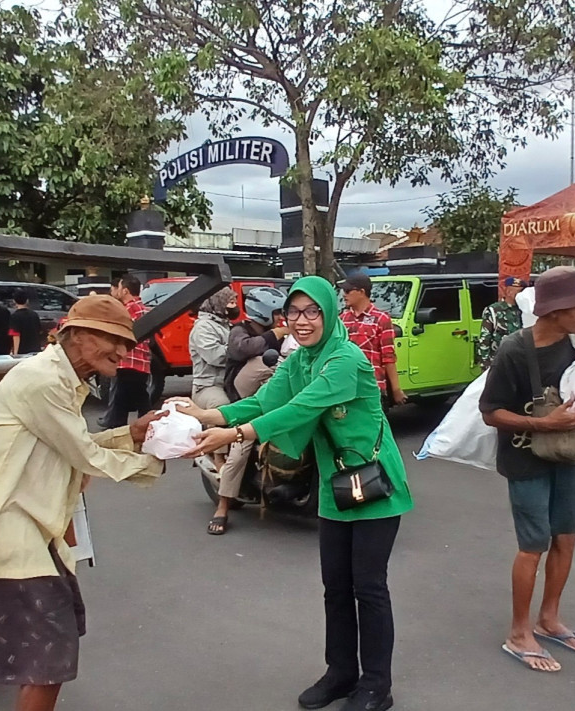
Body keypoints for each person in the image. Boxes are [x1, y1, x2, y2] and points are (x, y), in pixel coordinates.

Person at [177, 276, 414, 711]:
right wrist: (208, 413)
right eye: (294, 312)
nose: (302, 322)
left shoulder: (347, 359)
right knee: (334, 588)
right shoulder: (299, 360)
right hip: (333, 486)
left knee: (369, 588)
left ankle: (377, 685)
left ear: (329, 312)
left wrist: (235, 433)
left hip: (375, 486)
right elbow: (267, 400)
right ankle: (341, 673)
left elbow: (302, 408)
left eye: (312, 311)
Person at [0, 295, 168, 711]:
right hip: (6, 530)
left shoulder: (60, 379)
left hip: (27, 530)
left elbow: (70, 445)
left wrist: (133, 434)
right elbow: (84, 455)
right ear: (76, 336)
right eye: (113, 339)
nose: (124, 352)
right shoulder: (42, 380)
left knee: (52, 650)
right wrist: (160, 458)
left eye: (126, 342)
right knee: (49, 657)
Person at [478, 266, 575, 674]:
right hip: (525, 459)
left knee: (566, 537)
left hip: (568, 454)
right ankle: (518, 632)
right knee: (533, 545)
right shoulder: (514, 349)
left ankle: (549, 619)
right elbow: (490, 412)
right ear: (556, 310)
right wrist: (543, 424)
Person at [207, 286, 289, 535]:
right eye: (276, 312)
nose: (280, 317)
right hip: (240, 391)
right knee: (241, 446)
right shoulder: (240, 330)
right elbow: (241, 349)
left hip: (268, 392)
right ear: (262, 311)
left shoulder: (285, 333)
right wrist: (275, 334)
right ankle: (222, 507)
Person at [340, 273, 406, 407]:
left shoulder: (381, 319)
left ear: (361, 292)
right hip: (346, 386)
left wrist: (396, 389)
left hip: (372, 387)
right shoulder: (342, 319)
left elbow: (388, 357)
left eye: (347, 291)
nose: (343, 295)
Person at [99, 276, 152, 429]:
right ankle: (148, 424)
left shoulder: (127, 309)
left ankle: (117, 427)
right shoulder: (143, 308)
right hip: (141, 360)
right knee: (140, 397)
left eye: (119, 288)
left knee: (120, 399)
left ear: (126, 290)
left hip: (127, 359)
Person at [189, 287, 237, 409]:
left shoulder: (225, 325)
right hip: (208, 386)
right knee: (222, 407)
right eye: (231, 303)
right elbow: (215, 356)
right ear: (219, 303)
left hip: (229, 383)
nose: (235, 307)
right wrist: (240, 349)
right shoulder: (203, 327)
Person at [476, 276, 527, 369]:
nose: (521, 295)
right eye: (519, 292)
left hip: (520, 361)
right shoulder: (494, 310)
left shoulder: (525, 310)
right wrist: (485, 364)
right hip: (499, 362)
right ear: (508, 292)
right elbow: (485, 338)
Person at [9, 288, 43, 356]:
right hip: (35, 350)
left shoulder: (15, 316)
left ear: (14, 301)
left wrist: (15, 352)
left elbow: (16, 335)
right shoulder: (34, 314)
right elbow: (39, 331)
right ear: (27, 301)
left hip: (23, 351)